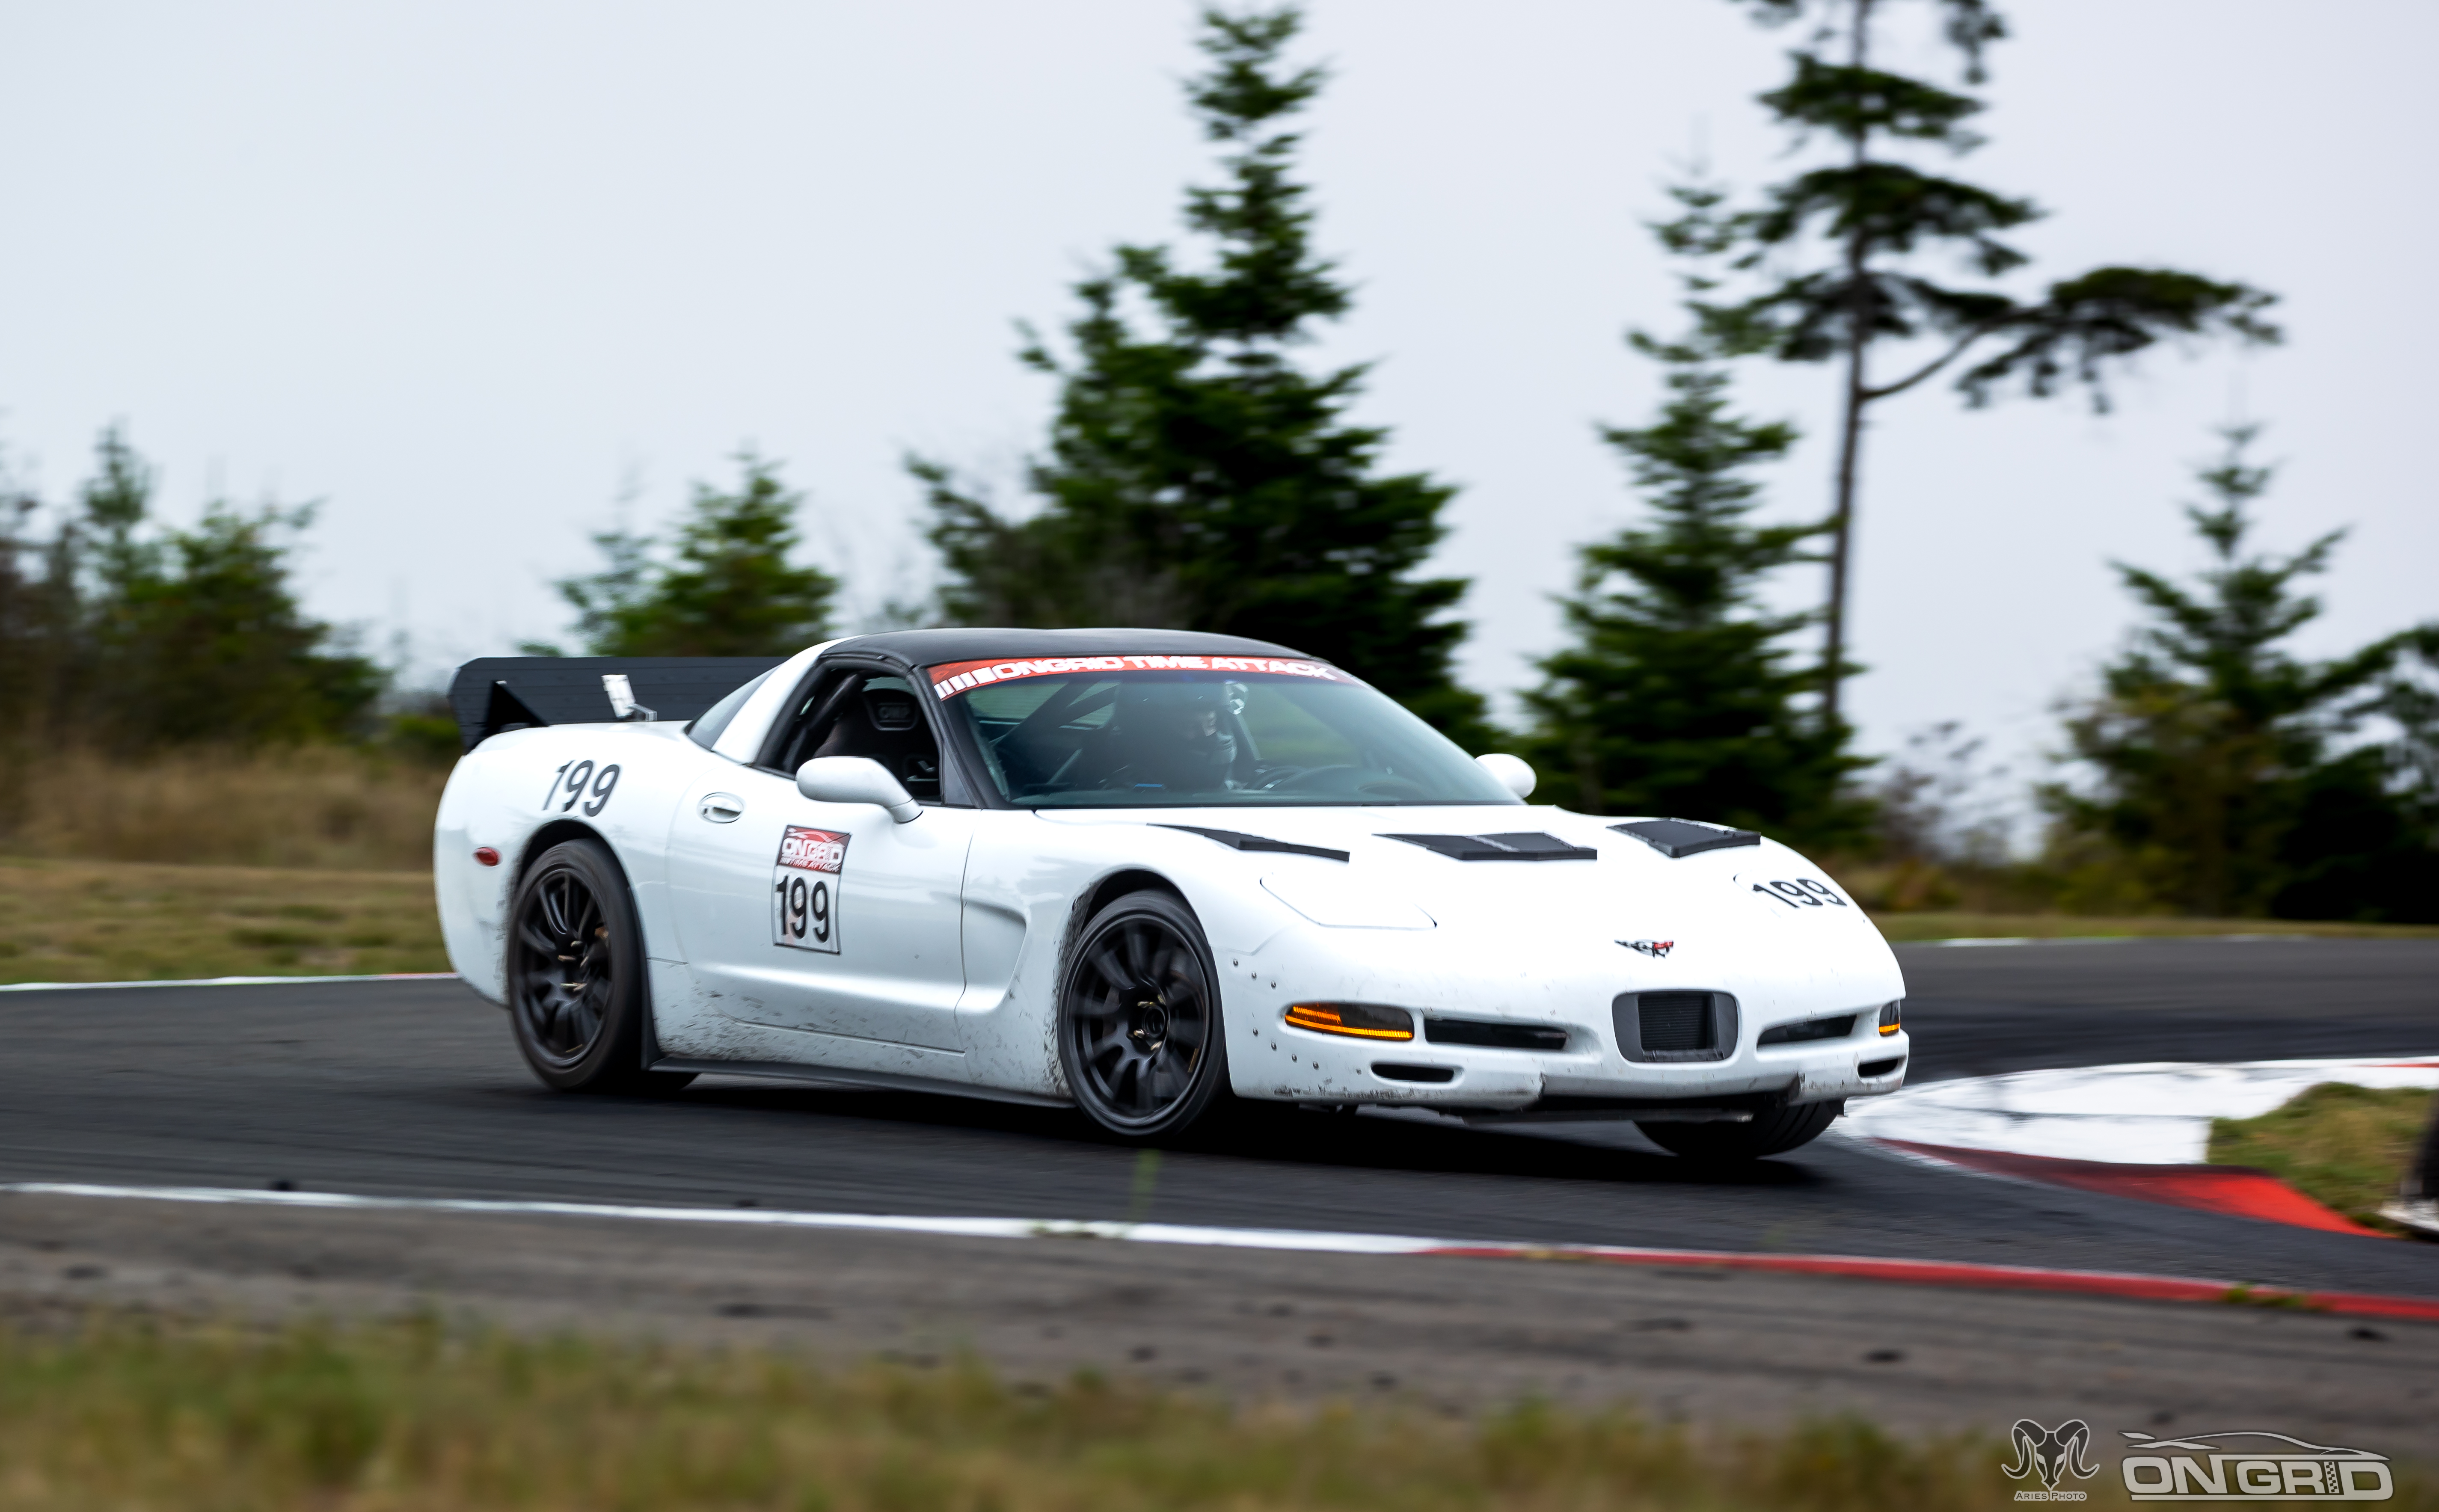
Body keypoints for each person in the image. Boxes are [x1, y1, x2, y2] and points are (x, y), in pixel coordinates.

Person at [1096, 680, 1238, 793]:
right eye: (1189, 727)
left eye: (1211, 724)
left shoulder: (1231, 785)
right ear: (1159, 731)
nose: (1206, 735)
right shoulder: (1127, 791)